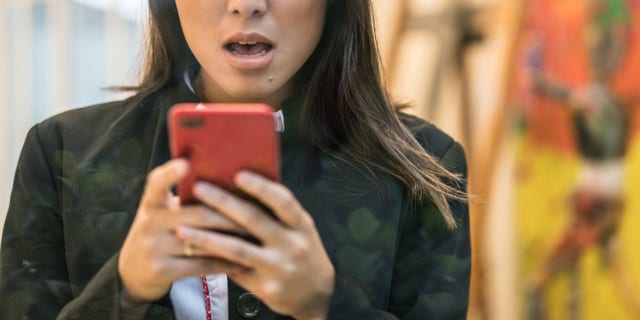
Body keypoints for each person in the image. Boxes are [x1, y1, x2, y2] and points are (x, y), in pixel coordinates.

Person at [0, 0, 471, 319]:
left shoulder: (426, 168)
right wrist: (124, 286)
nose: (246, 4)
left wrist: (323, 303)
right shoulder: (62, 152)